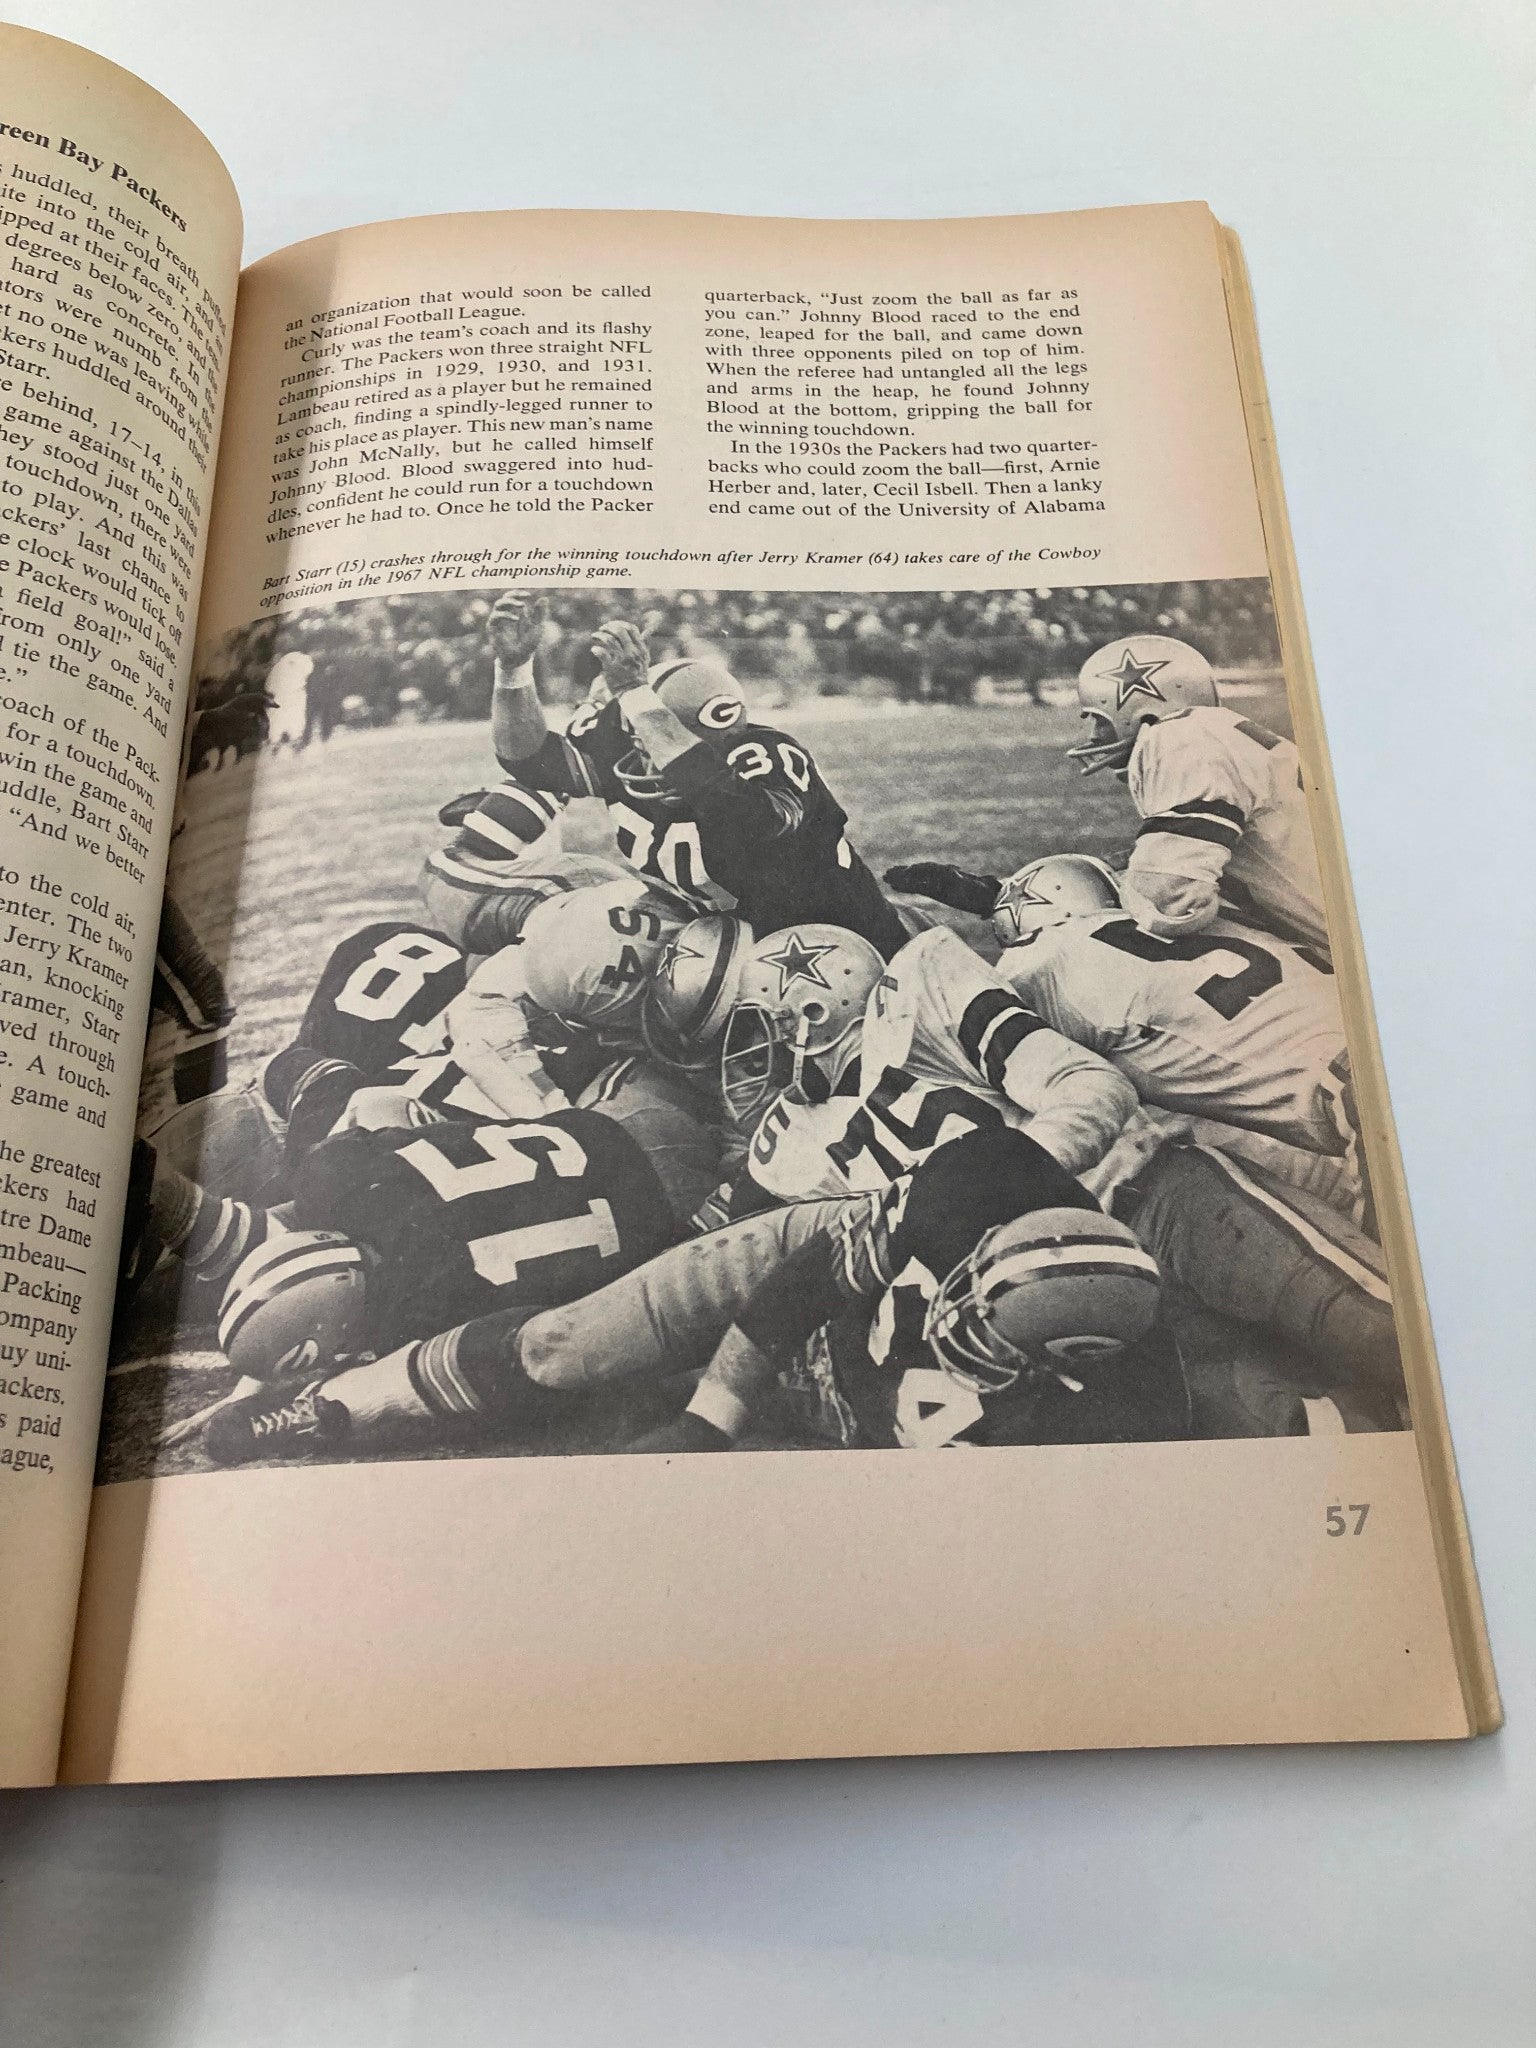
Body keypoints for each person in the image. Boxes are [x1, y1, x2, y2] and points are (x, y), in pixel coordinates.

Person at [485, 592, 908, 954]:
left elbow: (741, 813)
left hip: (840, 945)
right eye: (638, 737)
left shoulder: (766, 755)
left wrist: (637, 695)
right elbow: (528, 758)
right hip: (722, 947)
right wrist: (513, 669)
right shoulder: (636, 754)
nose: (644, 755)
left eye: (655, 734)